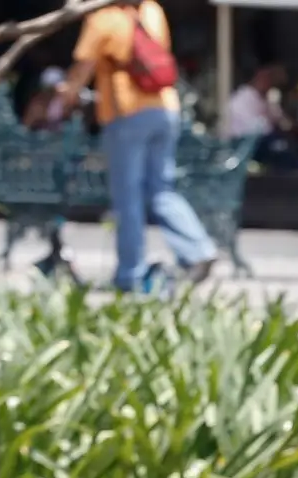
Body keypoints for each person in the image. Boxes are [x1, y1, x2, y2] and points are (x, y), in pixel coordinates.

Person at [60, 0, 217, 293]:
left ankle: (130, 274)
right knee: (161, 188)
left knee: (127, 197)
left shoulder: (103, 18)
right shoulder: (152, 10)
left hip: (127, 113)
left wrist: (64, 98)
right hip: (166, 109)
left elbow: (83, 66)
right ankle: (198, 249)